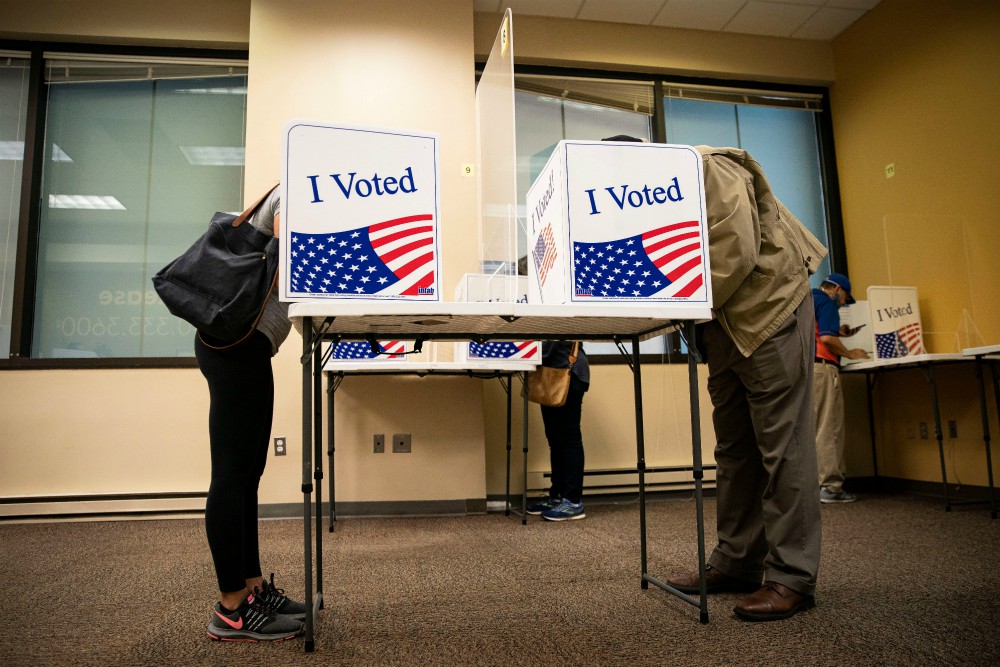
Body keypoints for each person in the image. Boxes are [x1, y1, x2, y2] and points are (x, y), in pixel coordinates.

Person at [667, 146, 826, 622]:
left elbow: (735, 248)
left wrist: (667, 304)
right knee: (735, 450)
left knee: (784, 447)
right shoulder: (646, 199)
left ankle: (792, 576)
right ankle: (737, 562)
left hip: (768, 309)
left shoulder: (708, 165)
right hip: (724, 323)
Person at [195, 185, 307, 642]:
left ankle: (253, 590)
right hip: (235, 348)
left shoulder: (305, 196)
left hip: (248, 348)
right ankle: (232, 607)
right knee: (231, 476)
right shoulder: (294, 192)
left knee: (248, 475)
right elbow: (284, 268)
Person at [813, 273, 869, 503]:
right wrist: (850, 352)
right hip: (824, 368)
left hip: (805, 369)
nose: (845, 302)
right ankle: (831, 487)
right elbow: (826, 340)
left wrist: (839, 332)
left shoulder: (808, 298)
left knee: (814, 428)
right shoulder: (827, 303)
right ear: (837, 289)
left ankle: (817, 484)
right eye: (845, 297)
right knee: (830, 426)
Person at [525, 341, 590, 521]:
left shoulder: (552, 314)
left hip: (568, 375)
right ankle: (558, 496)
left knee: (569, 440)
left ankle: (573, 502)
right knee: (556, 440)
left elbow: (545, 348)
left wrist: (515, 354)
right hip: (553, 376)